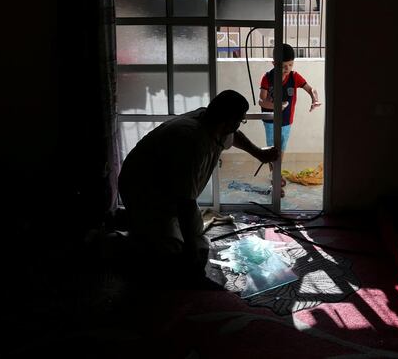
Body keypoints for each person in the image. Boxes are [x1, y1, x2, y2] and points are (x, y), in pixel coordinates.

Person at [116, 90, 278, 287]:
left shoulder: (214, 123)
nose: (239, 125)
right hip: (142, 191)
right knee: (171, 255)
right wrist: (190, 256)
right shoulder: (192, 142)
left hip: (167, 191)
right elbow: (185, 203)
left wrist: (259, 153)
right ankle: (118, 236)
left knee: (196, 243)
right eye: (240, 120)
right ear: (227, 120)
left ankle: (137, 224)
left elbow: (233, 136)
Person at [258, 43, 322, 195]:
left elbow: (311, 89)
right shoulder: (267, 78)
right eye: (283, 66)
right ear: (274, 63)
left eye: (290, 65)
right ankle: (274, 175)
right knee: (272, 148)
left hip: (286, 121)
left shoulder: (295, 77)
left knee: (281, 149)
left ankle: (277, 172)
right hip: (270, 120)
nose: (287, 69)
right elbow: (261, 100)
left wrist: (314, 99)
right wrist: (276, 106)